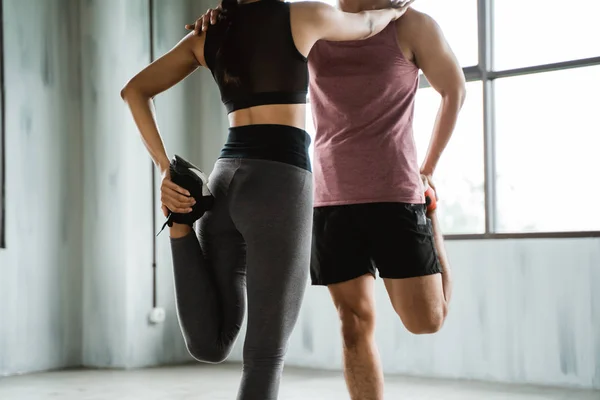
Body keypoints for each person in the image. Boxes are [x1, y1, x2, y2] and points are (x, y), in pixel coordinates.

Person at [120, 0, 415, 399]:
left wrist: (165, 168)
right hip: (280, 183)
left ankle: (180, 226)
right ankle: (180, 224)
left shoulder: (207, 33)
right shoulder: (303, 15)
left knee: (211, 344)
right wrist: (394, 11)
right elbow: (365, 24)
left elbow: (134, 91)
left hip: (226, 182)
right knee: (264, 357)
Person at [190, 1, 465, 399]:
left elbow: (453, 90)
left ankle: (432, 218)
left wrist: (428, 169)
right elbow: (252, 32)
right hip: (329, 198)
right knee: (353, 323)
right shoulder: (311, 22)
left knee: (427, 320)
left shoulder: (411, 25)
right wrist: (223, 15)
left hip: (395, 193)